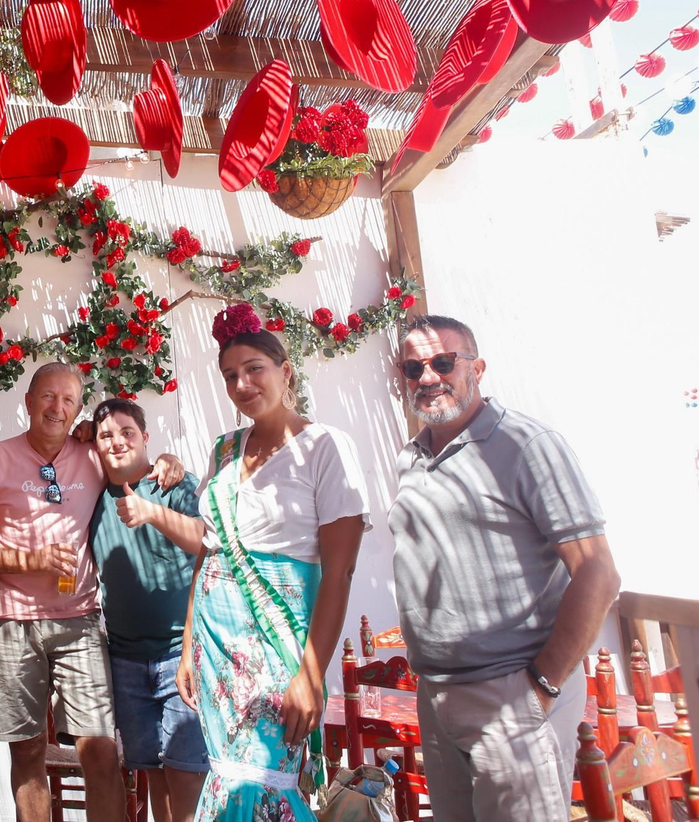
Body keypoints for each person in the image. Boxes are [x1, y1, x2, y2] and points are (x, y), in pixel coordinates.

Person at [389, 315, 620, 822]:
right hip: (437, 695)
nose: (427, 377)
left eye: (443, 362)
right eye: (413, 368)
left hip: (514, 695)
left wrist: (542, 687)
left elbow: (598, 572)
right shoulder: (411, 458)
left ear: (478, 368)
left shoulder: (527, 445)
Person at [178, 305, 367, 821]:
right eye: (230, 375)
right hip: (216, 649)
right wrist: (189, 647)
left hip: (278, 642)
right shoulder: (222, 452)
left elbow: (341, 571)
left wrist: (311, 673)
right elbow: (207, 552)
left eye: (254, 368)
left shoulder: (326, 447)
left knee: (267, 776)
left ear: (285, 371)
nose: (242, 383)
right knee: (225, 772)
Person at [0, 361, 126, 822]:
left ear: (77, 410)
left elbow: (139, 464)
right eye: (48, 397)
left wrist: (169, 463)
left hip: (80, 621)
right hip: (10, 622)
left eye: (68, 399)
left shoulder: (92, 455)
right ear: (28, 402)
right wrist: (30, 562)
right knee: (27, 750)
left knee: (101, 749)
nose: (57, 407)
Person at [89, 398, 208, 822]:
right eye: (106, 435)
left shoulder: (172, 483)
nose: (117, 442)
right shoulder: (91, 493)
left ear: (145, 438)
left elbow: (205, 540)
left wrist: (152, 511)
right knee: (154, 773)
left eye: (127, 433)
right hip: (124, 660)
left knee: (188, 774)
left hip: (181, 655)